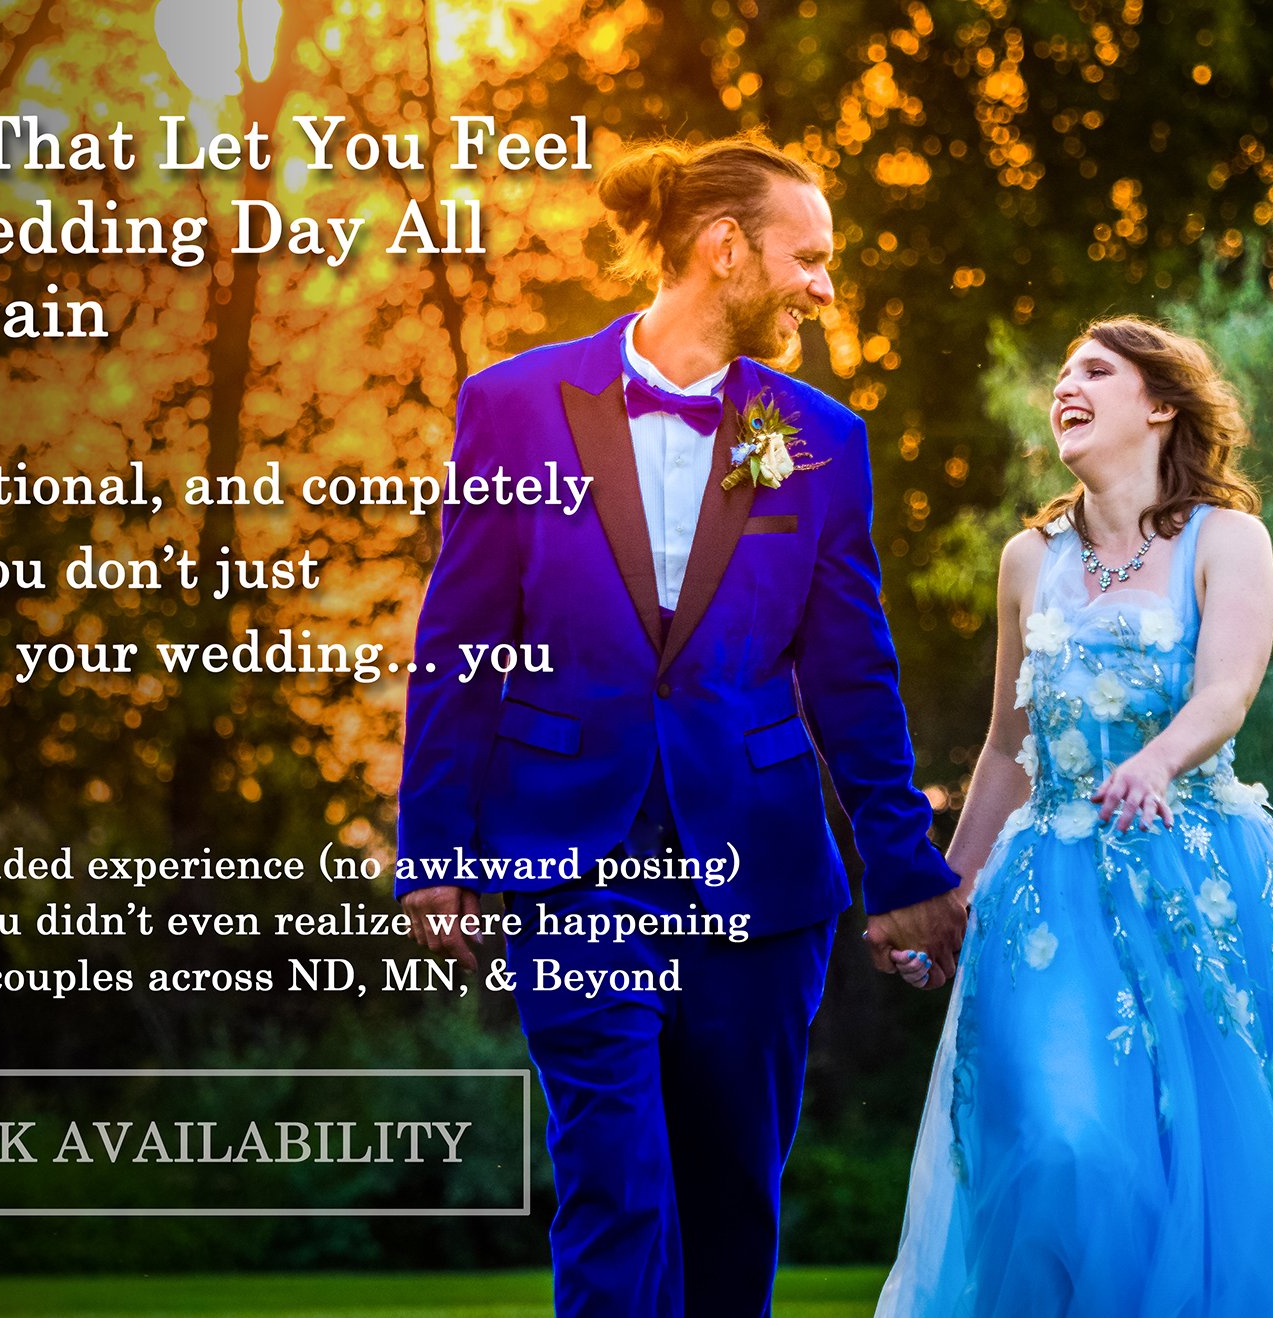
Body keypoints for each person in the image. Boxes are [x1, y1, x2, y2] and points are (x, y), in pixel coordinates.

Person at [394, 131, 967, 1316]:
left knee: (727, 1200)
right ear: (724, 248)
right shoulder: (513, 407)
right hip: (570, 858)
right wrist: (434, 847)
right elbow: (461, 644)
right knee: (615, 1181)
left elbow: (851, 672)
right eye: (808, 259)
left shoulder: (821, 439)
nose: (823, 288)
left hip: (760, 867)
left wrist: (901, 863)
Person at [878, 317, 1273, 1316]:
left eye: (1095, 370)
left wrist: (1156, 760)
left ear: (1159, 404)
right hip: (1048, 901)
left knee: (1209, 1166)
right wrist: (945, 893)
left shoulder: (1227, 538)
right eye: (1061, 375)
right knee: (1061, 1145)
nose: (1066, 386)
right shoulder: (1027, 558)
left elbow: (1226, 692)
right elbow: (1006, 746)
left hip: (1200, 880)